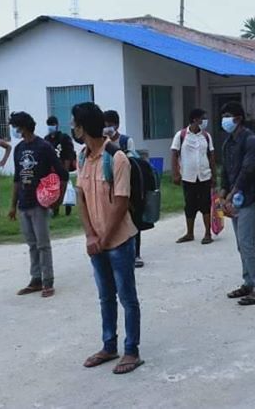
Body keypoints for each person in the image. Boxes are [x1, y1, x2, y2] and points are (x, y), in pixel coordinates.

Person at [73, 102, 144, 375]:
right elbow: (80, 196)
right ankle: (109, 345)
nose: (73, 129)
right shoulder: (82, 157)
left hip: (119, 241)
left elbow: (122, 202)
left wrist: (103, 238)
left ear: (83, 127)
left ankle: (131, 350)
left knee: (127, 298)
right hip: (98, 242)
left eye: (75, 124)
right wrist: (91, 235)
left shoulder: (116, 158)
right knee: (105, 297)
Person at [8, 112, 69, 298]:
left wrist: (58, 199)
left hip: (39, 202)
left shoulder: (44, 147)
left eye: (16, 127)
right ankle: (35, 279)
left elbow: (62, 174)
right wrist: (13, 205)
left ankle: (48, 281)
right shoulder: (18, 149)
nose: (15, 131)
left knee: (43, 244)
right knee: (31, 244)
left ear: (24, 127)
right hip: (24, 203)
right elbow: (17, 179)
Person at [219, 101, 255, 306]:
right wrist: (222, 196)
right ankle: (248, 282)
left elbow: (246, 172)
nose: (224, 121)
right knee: (241, 244)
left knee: (247, 244)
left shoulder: (252, 141)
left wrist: (230, 196)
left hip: (246, 198)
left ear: (238, 118)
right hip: (233, 198)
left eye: (228, 116)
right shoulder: (228, 142)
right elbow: (225, 172)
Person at [103, 109, 144, 268]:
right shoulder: (102, 143)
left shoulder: (126, 141)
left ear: (117, 125)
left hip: (128, 186)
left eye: (110, 125)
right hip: (109, 188)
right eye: (104, 125)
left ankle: (136, 253)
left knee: (134, 220)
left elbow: (134, 162)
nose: (107, 129)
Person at [171, 108, 216, 245]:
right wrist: (175, 173)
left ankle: (208, 233)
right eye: (203, 118)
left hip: (204, 176)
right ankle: (189, 233)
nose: (205, 121)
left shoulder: (206, 136)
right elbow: (174, 154)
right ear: (195, 120)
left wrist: (214, 176)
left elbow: (211, 156)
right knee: (189, 205)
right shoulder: (181, 135)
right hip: (188, 177)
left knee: (205, 204)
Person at [43, 116, 78, 217]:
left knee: (65, 189)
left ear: (57, 125)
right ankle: (55, 210)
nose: (50, 127)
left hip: (62, 167)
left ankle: (68, 209)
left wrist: (65, 170)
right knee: (53, 190)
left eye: (52, 125)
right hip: (51, 169)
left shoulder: (64, 138)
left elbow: (68, 154)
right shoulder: (46, 139)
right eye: (49, 125)